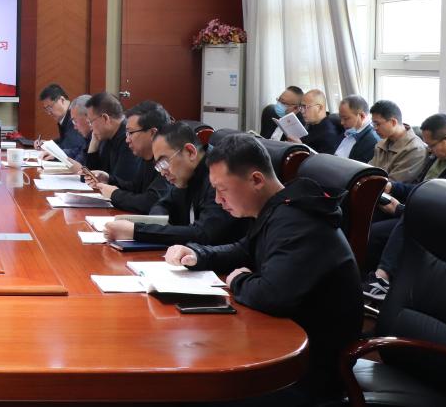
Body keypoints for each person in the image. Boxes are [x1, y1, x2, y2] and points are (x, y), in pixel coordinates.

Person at [165, 133, 362, 400]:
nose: (219, 200)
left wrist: (237, 281)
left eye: (222, 190)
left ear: (256, 180)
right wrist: (198, 254)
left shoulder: (298, 220)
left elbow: (271, 295)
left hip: (306, 369)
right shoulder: (277, 208)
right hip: (282, 345)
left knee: (192, 389)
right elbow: (244, 249)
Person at [103, 122, 247, 246]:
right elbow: (162, 204)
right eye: (159, 165)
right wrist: (157, 223)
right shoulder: (186, 174)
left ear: (190, 152)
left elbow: (203, 234)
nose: (162, 172)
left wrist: (136, 231)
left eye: (164, 162)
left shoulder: (217, 175)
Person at [364, 113, 446, 302]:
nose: (429, 150)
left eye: (432, 145)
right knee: (372, 220)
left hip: (436, 219)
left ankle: (382, 278)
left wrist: (400, 209)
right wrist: (392, 188)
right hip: (418, 208)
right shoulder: (436, 158)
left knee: (391, 226)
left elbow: (436, 203)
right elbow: (419, 188)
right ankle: (370, 279)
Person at [86, 100, 171, 213]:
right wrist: (109, 179)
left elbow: (151, 202)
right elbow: (136, 188)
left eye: (131, 133)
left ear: (153, 133)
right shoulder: (147, 157)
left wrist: (114, 194)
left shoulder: (169, 159)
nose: (127, 140)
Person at [79, 92, 140, 186]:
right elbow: (87, 179)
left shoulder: (129, 139)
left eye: (91, 122)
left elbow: (120, 185)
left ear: (105, 118)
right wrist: (93, 145)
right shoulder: (106, 136)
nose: (91, 127)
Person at [368, 99, 427, 182]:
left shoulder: (415, 148)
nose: (375, 128)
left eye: (377, 124)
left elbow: (394, 183)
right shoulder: (381, 144)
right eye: (373, 124)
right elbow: (368, 172)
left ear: (393, 122)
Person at [35, 83, 86, 159]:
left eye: (50, 107)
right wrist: (47, 144)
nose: (49, 113)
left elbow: (69, 146)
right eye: (46, 109)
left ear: (62, 100)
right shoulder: (65, 117)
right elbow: (65, 139)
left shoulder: (74, 117)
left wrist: (52, 151)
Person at [293, 88, 343, 154]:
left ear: (319, 108)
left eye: (305, 107)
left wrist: (300, 147)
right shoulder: (310, 124)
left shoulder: (328, 135)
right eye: (301, 107)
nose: (302, 111)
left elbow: (321, 160)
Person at [334, 94, 380, 163]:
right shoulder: (349, 131)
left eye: (346, 118)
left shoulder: (372, 142)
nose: (342, 122)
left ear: (362, 116)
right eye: (341, 118)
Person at [67, 95, 92, 164]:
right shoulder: (89, 137)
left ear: (88, 117)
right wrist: (56, 154)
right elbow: (78, 151)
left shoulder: (99, 138)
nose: (74, 127)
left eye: (75, 121)